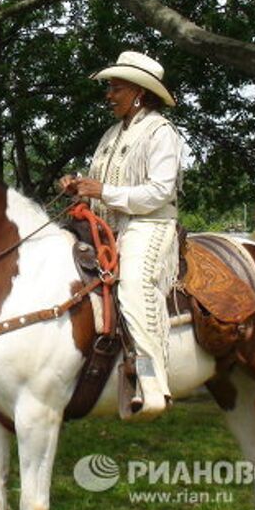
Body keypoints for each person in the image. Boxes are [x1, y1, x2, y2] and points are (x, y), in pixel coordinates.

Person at [59, 51, 183, 420]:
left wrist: (104, 193)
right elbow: (101, 186)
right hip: (106, 228)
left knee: (133, 287)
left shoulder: (162, 132)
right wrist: (79, 188)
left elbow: (160, 192)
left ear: (140, 93)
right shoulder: (112, 134)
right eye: (110, 88)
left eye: (116, 88)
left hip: (149, 225)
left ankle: (152, 383)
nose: (108, 95)